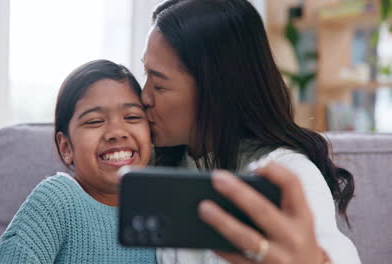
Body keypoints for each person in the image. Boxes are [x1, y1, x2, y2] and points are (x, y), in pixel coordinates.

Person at [141, 0, 361, 263]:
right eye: (145, 76)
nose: (144, 97)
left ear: (216, 90)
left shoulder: (287, 175)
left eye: (159, 84)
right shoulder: (157, 166)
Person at [0, 60, 156, 263]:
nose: (116, 133)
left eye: (131, 117)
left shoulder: (160, 210)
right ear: (66, 147)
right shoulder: (57, 199)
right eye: (95, 121)